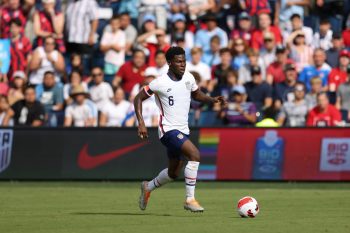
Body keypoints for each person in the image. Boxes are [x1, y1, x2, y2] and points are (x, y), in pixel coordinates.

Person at [134, 46, 226, 212]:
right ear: (170, 63)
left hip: (183, 130)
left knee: (173, 174)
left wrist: (212, 99)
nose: (182, 64)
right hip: (168, 130)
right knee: (195, 155)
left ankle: (148, 187)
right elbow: (138, 98)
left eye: (184, 61)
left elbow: (197, 95)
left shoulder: (188, 77)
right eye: (178, 62)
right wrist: (141, 122)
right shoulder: (160, 82)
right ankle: (190, 200)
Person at [100, 15, 126, 82]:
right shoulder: (106, 33)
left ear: (119, 24)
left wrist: (108, 45)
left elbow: (118, 49)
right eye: (112, 24)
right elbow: (102, 48)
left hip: (118, 63)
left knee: (117, 82)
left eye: (116, 24)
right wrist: (112, 45)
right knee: (108, 81)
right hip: (108, 61)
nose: (114, 26)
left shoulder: (122, 34)